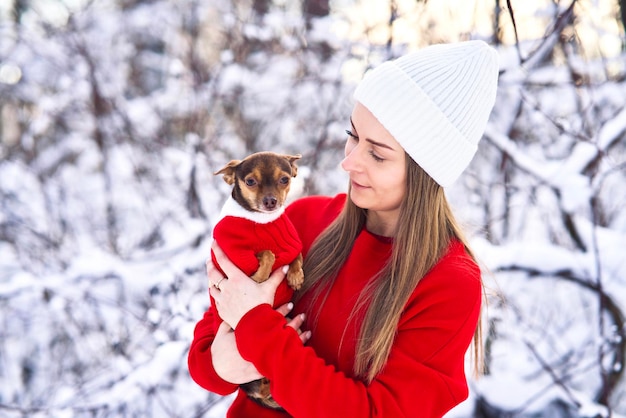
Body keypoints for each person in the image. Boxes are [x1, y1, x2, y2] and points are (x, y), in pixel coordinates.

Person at [188, 40, 499, 418]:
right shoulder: (300, 222)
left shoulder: (449, 283)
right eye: (352, 136)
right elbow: (203, 361)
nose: (348, 162)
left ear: (425, 171)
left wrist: (257, 329)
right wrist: (225, 363)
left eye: (377, 153)